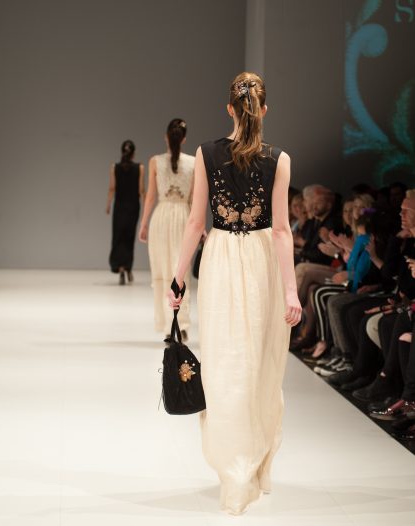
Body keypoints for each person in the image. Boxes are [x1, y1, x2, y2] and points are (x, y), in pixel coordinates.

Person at [167, 72, 301, 515]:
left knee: (227, 364)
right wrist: (291, 292)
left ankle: (234, 474)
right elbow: (281, 230)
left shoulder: (205, 153)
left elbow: (195, 223)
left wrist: (178, 278)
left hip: (222, 258)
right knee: (261, 365)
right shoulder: (279, 159)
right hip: (262, 260)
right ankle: (255, 468)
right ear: (264, 110)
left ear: (229, 109)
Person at [139, 119, 195, 339]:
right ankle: (181, 325)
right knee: (181, 272)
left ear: (166, 137)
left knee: (163, 273)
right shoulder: (193, 162)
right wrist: (199, 227)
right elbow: (193, 199)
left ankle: (167, 326)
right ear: (184, 139)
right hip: (184, 218)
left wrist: (144, 223)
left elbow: (150, 196)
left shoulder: (155, 161)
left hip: (161, 219)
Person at [106, 140, 144, 285]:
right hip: (133, 207)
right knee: (129, 237)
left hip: (119, 207)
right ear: (134, 153)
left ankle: (120, 268)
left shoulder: (114, 167)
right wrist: (146, 206)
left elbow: (112, 188)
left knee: (118, 237)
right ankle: (128, 268)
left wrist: (108, 205)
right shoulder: (139, 168)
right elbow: (141, 190)